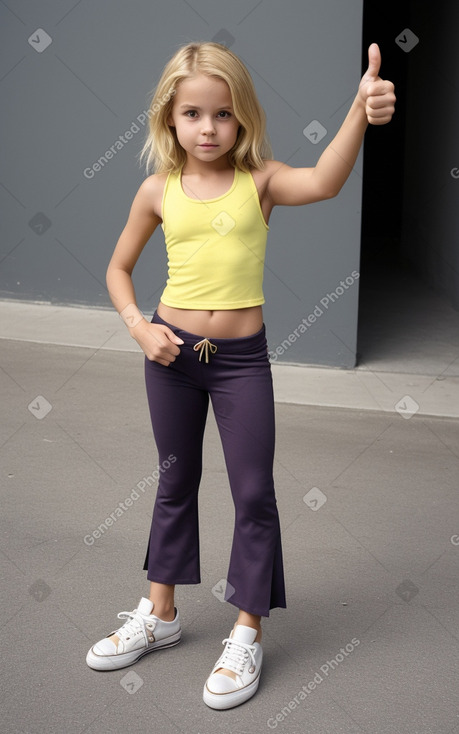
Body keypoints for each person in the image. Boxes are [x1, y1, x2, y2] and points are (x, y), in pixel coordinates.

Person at [86, 40, 395, 709]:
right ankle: (159, 614)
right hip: (169, 359)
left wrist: (358, 113)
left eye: (222, 115)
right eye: (192, 113)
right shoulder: (156, 191)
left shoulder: (261, 183)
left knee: (253, 494)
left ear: (242, 119)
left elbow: (325, 181)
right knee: (174, 482)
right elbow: (116, 271)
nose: (207, 128)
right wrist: (140, 327)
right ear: (169, 118)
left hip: (239, 365)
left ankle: (247, 628)